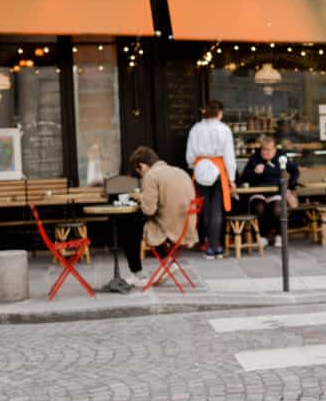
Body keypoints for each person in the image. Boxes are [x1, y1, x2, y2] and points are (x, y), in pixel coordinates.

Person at [122, 146, 198, 286]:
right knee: (142, 225)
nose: (141, 175)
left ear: (143, 166)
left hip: (170, 228)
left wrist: (142, 198)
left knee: (128, 228)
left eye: (139, 172)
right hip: (187, 226)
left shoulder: (151, 175)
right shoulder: (180, 171)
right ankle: (168, 262)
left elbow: (149, 210)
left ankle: (137, 273)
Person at [186, 100, 236, 259]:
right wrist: (232, 177)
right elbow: (229, 156)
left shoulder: (196, 129)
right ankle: (216, 246)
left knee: (205, 210)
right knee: (216, 211)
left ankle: (208, 245)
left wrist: (196, 166)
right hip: (218, 170)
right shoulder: (224, 129)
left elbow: (190, 155)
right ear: (219, 113)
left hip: (200, 170)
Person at [240, 136, 299, 246]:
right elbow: (244, 177)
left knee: (277, 209)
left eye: (268, 150)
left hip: (276, 191)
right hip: (258, 192)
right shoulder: (254, 158)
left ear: (274, 150)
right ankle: (262, 236)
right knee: (259, 208)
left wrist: (291, 186)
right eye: (263, 149)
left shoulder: (281, 157)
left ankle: (279, 235)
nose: (265, 152)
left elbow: (295, 170)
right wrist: (254, 172)